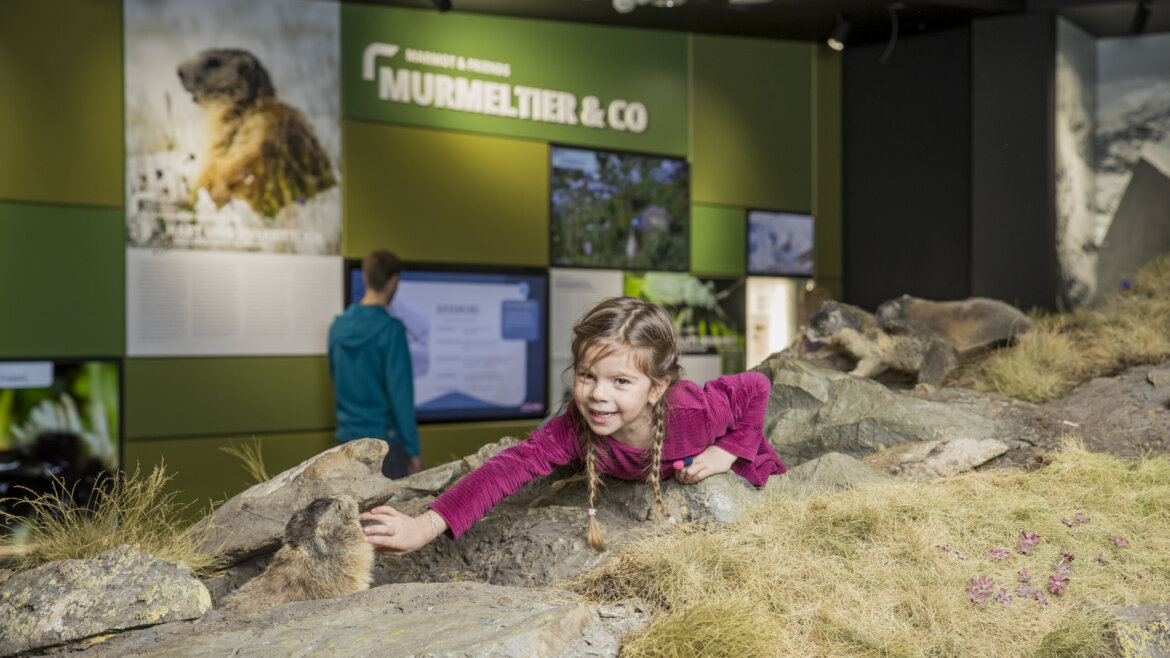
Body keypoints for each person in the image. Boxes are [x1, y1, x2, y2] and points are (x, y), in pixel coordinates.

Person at [360, 296, 786, 553]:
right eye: (587, 376)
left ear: (657, 388)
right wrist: (423, 526)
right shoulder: (576, 425)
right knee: (545, 438)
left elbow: (756, 386)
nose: (599, 394)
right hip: (597, 451)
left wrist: (727, 451)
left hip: (744, 479)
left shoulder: (692, 411)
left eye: (621, 381)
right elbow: (506, 469)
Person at [327, 249, 422, 479]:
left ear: (365, 277)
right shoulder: (391, 331)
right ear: (394, 281)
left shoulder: (337, 328)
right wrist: (413, 450)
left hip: (346, 443)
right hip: (385, 447)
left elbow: (335, 377)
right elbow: (401, 397)